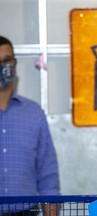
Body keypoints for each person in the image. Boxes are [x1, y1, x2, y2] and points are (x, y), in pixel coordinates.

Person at [0, 36, 60, 215]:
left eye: (6, 60)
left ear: (15, 63)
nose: (3, 67)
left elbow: (48, 178)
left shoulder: (34, 114)